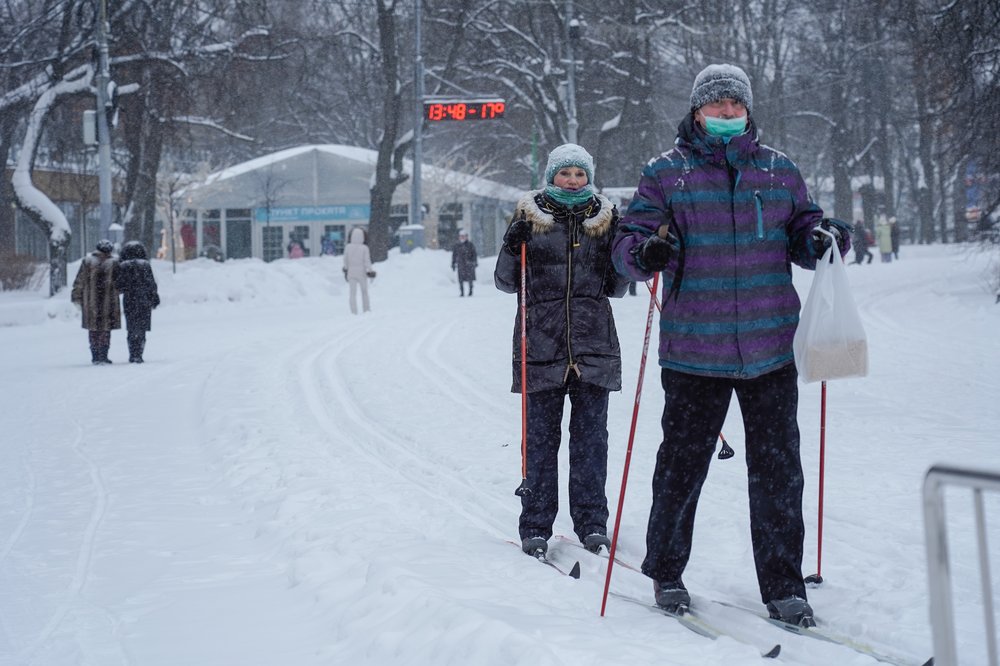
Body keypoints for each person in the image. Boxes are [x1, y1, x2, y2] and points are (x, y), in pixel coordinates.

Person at [610, 64, 851, 628]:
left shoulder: (779, 170)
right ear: (696, 112)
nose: (724, 114)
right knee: (681, 467)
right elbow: (628, 242)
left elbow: (805, 234)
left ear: (747, 112)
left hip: (771, 348)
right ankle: (666, 572)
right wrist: (644, 256)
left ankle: (785, 587)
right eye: (714, 106)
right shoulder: (665, 175)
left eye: (733, 106)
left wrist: (826, 239)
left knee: (778, 472)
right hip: (695, 351)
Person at [494, 143, 631, 558]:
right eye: (565, 173)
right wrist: (511, 244)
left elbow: (617, 285)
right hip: (540, 344)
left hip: (593, 344)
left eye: (580, 174)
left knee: (591, 442)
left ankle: (593, 523)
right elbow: (504, 281)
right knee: (539, 442)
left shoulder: (605, 220)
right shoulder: (528, 216)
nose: (573, 180)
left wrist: (632, 254)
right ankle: (535, 524)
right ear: (551, 175)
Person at [71, 239, 122, 365]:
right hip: (108, 302)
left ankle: (95, 355)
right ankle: (103, 355)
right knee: (105, 330)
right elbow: (120, 283)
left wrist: (77, 297)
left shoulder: (87, 262)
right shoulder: (114, 263)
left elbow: (80, 280)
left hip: (91, 301)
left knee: (93, 330)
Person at [115, 240, 160, 363]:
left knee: (131, 327)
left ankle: (132, 352)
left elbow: (119, 285)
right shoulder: (145, 265)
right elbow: (151, 283)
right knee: (142, 328)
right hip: (144, 299)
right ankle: (139, 353)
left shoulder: (123, 266)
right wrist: (154, 297)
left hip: (129, 300)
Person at [343, 227, 373, 314]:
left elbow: (345, 260)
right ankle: (366, 309)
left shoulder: (348, 247)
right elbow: (367, 261)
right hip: (362, 273)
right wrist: (370, 270)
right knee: (364, 292)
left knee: (352, 293)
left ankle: (353, 312)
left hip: (351, 273)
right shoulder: (364, 248)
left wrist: (346, 269)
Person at [451, 230, 478, 296]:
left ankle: (470, 291)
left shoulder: (470, 245)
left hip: (469, 264)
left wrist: (474, 262)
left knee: (470, 279)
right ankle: (462, 292)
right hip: (461, 265)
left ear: (466, 237)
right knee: (460, 279)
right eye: (461, 236)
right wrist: (453, 263)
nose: (462, 237)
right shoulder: (456, 245)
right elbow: (454, 255)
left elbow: (474, 254)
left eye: (464, 236)